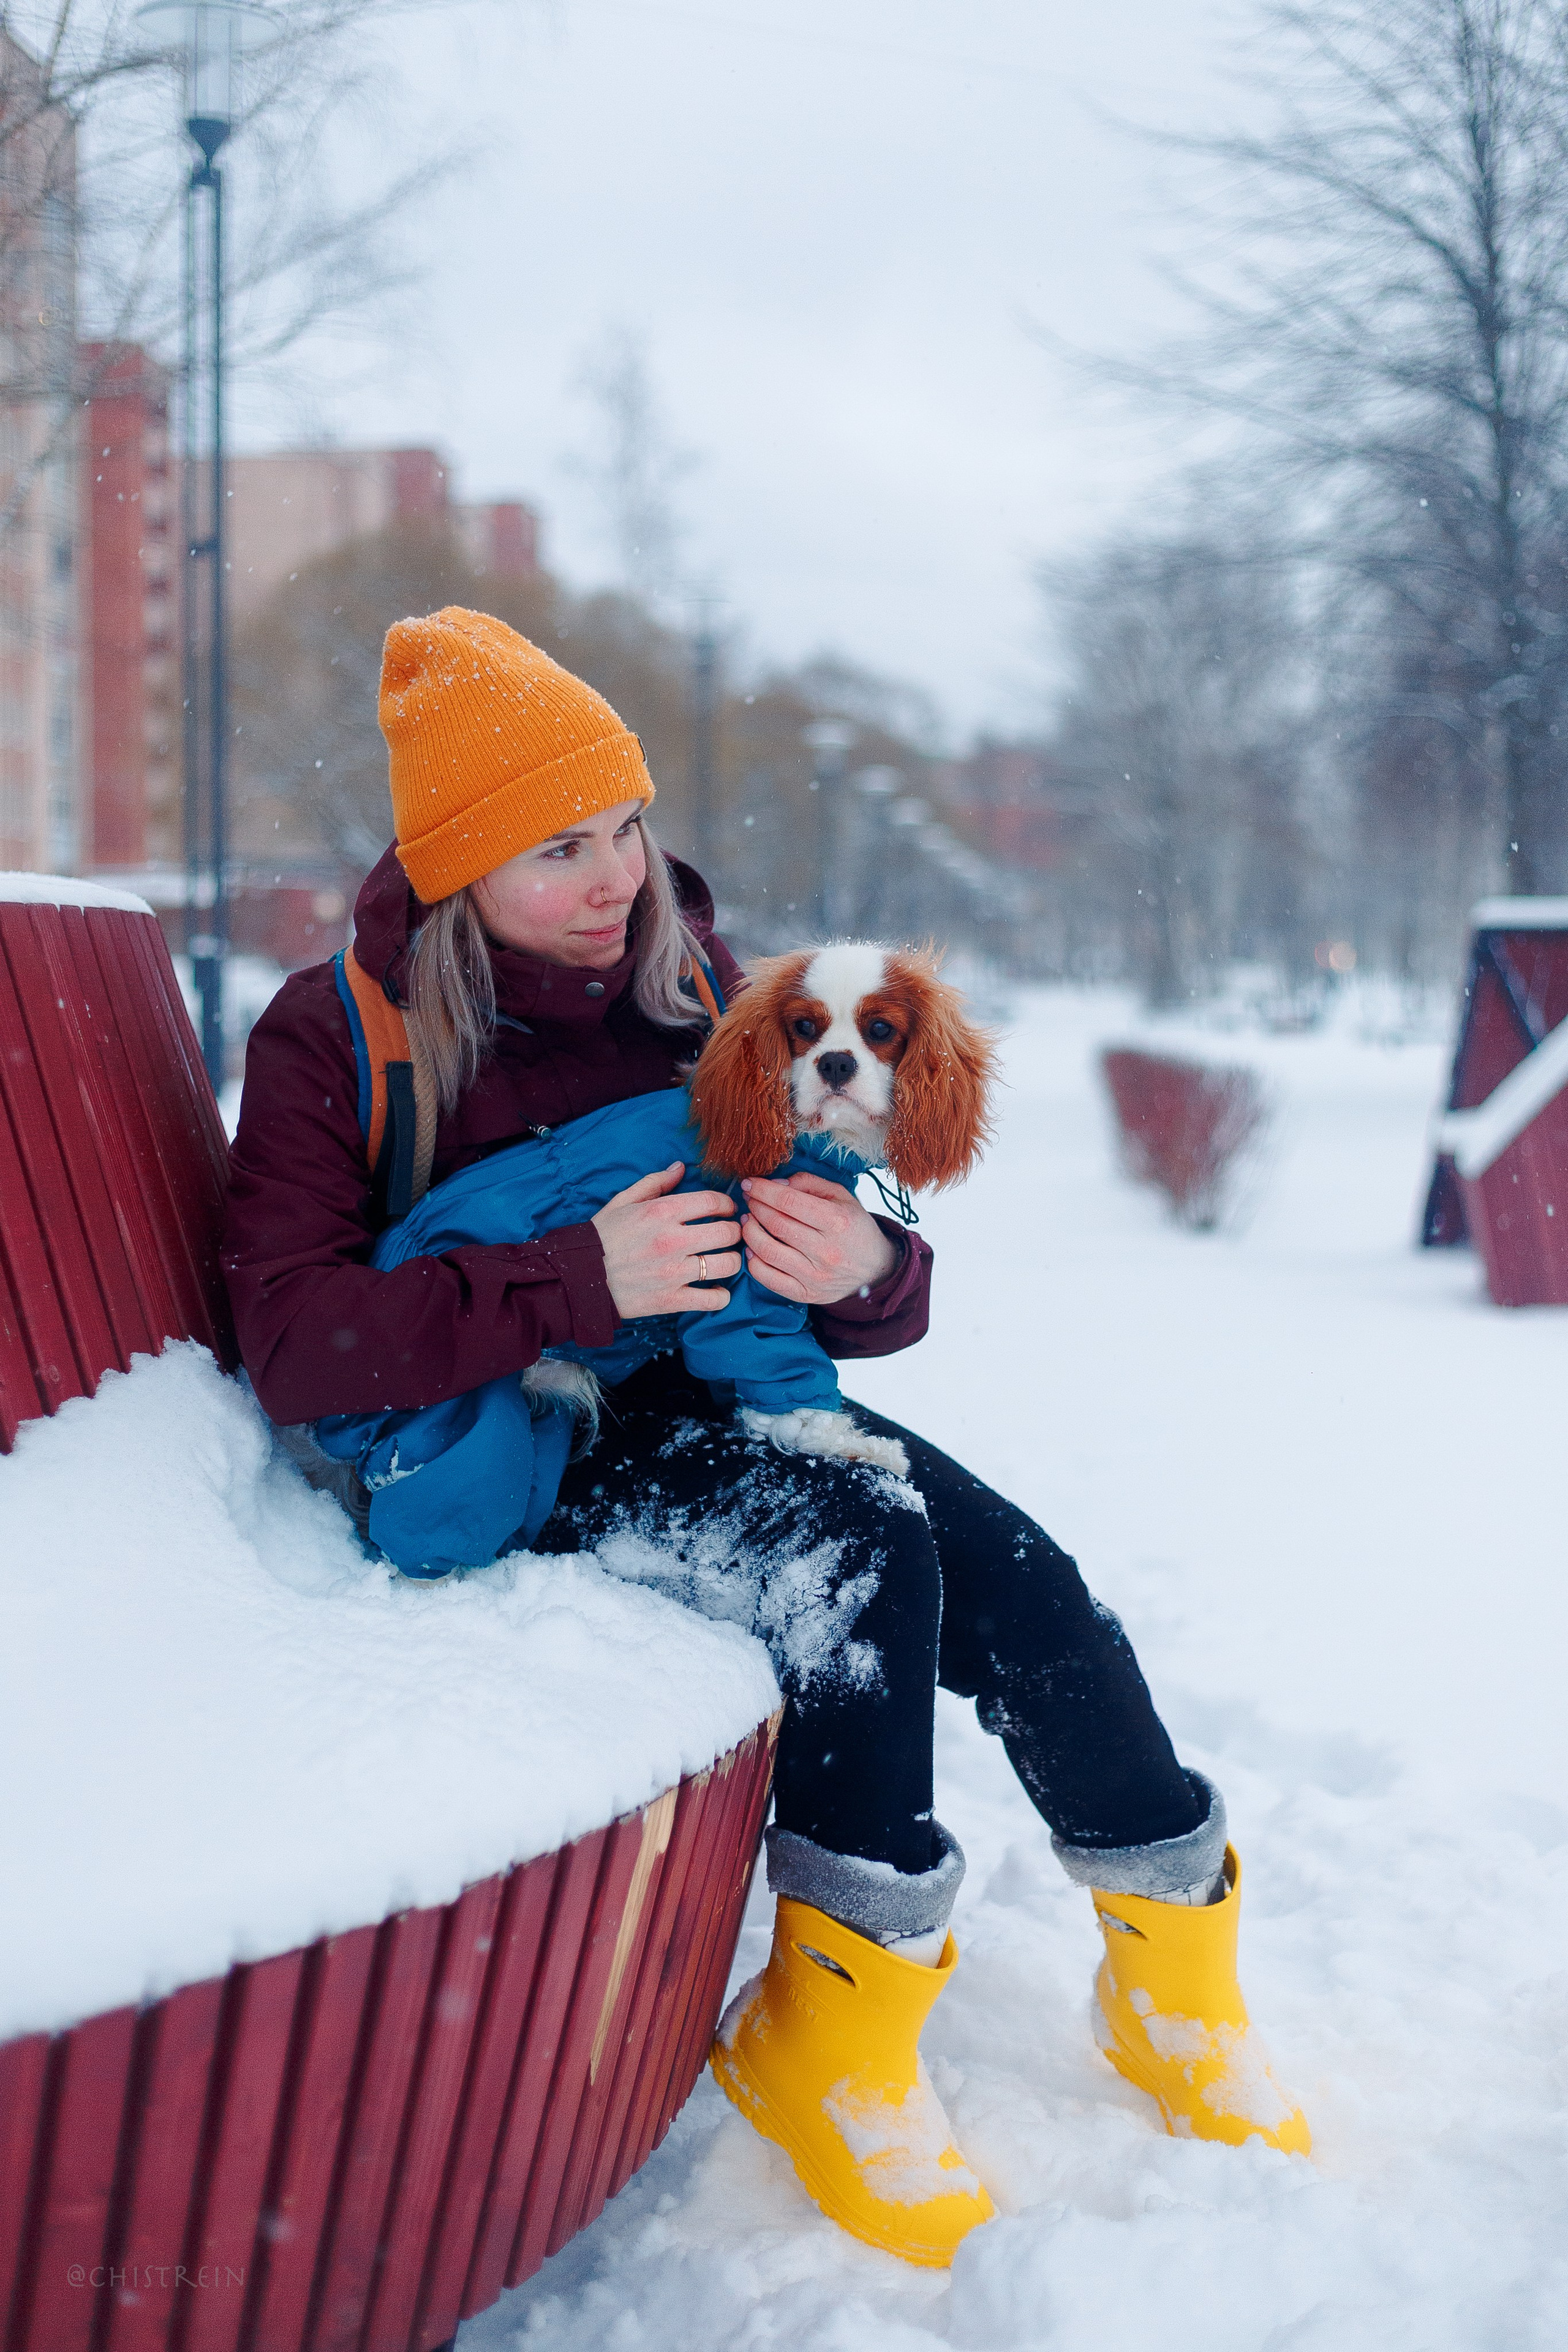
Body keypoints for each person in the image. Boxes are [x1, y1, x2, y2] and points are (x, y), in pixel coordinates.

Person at [223, 607, 1308, 2271]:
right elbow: (294, 1340)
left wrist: (870, 1271)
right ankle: (836, 2036)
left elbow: (856, 1241)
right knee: (862, 1559)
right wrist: (572, 1278)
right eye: (556, 848)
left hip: (730, 1392)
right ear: (454, 869)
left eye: (626, 824)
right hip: (543, 1441)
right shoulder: (344, 1031)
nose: (614, 876)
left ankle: (1177, 1977)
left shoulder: (702, 990)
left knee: (1023, 1578)